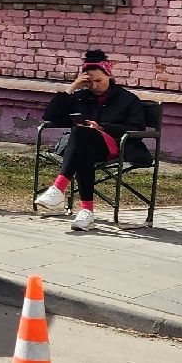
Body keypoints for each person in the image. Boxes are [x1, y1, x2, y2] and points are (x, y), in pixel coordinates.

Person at [33, 49, 151, 230]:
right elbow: (51, 117)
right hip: (82, 148)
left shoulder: (127, 99)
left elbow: (137, 128)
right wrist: (72, 87)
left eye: (99, 81)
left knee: (81, 134)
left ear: (109, 76)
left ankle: (58, 189)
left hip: (114, 146)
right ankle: (86, 213)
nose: (95, 86)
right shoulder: (81, 96)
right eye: (90, 82)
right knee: (82, 143)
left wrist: (102, 127)